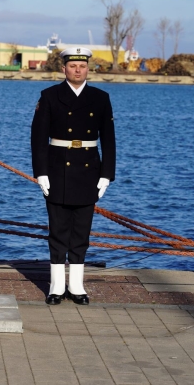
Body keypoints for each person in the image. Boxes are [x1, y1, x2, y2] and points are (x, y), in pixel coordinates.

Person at [30, 47, 116, 306]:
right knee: (58, 231)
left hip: (88, 169)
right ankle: (56, 286)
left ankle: (77, 286)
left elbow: (109, 141)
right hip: (57, 169)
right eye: (73, 66)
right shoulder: (49, 96)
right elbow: (38, 139)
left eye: (82, 66)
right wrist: (41, 173)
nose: (78, 70)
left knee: (81, 232)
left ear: (88, 68)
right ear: (64, 68)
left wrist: (106, 175)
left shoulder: (100, 97)